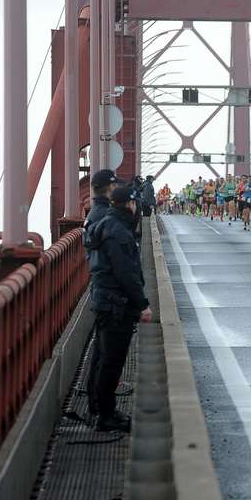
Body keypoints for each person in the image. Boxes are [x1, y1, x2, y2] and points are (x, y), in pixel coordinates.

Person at [85, 185, 152, 432]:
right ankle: (106, 415)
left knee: (103, 358)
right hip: (116, 305)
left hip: (105, 299)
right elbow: (127, 273)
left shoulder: (107, 224)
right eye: (135, 203)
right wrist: (142, 304)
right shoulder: (118, 232)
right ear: (130, 204)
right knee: (112, 361)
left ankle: (100, 408)